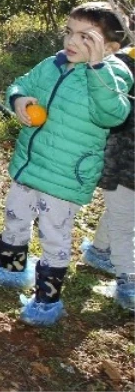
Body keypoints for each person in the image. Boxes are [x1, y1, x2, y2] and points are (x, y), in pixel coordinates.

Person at [0, 1, 132, 326]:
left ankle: (47, 298)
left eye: (86, 37)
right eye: (70, 32)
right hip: (31, 164)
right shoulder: (53, 64)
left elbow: (113, 114)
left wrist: (98, 67)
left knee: (54, 235)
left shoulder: (112, 76)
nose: (72, 42)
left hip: (66, 176)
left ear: (111, 48)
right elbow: (22, 83)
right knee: (15, 215)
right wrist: (18, 99)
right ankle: (10, 269)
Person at [82, 46, 135, 312]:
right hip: (123, 160)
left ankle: (99, 252)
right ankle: (129, 281)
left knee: (122, 213)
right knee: (125, 220)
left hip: (124, 161)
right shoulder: (119, 66)